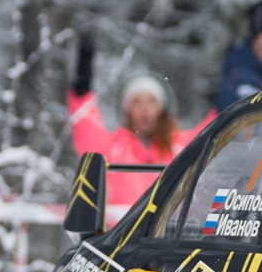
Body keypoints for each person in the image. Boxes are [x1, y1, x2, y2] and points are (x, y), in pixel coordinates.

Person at [66, 72, 210, 215]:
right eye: (137, 102)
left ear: (162, 108)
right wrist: (82, 92)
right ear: (127, 110)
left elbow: (215, 134)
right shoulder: (113, 147)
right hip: (123, 234)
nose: (145, 109)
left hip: (168, 234)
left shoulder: (182, 145)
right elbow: (86, 126)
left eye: (152, 101)